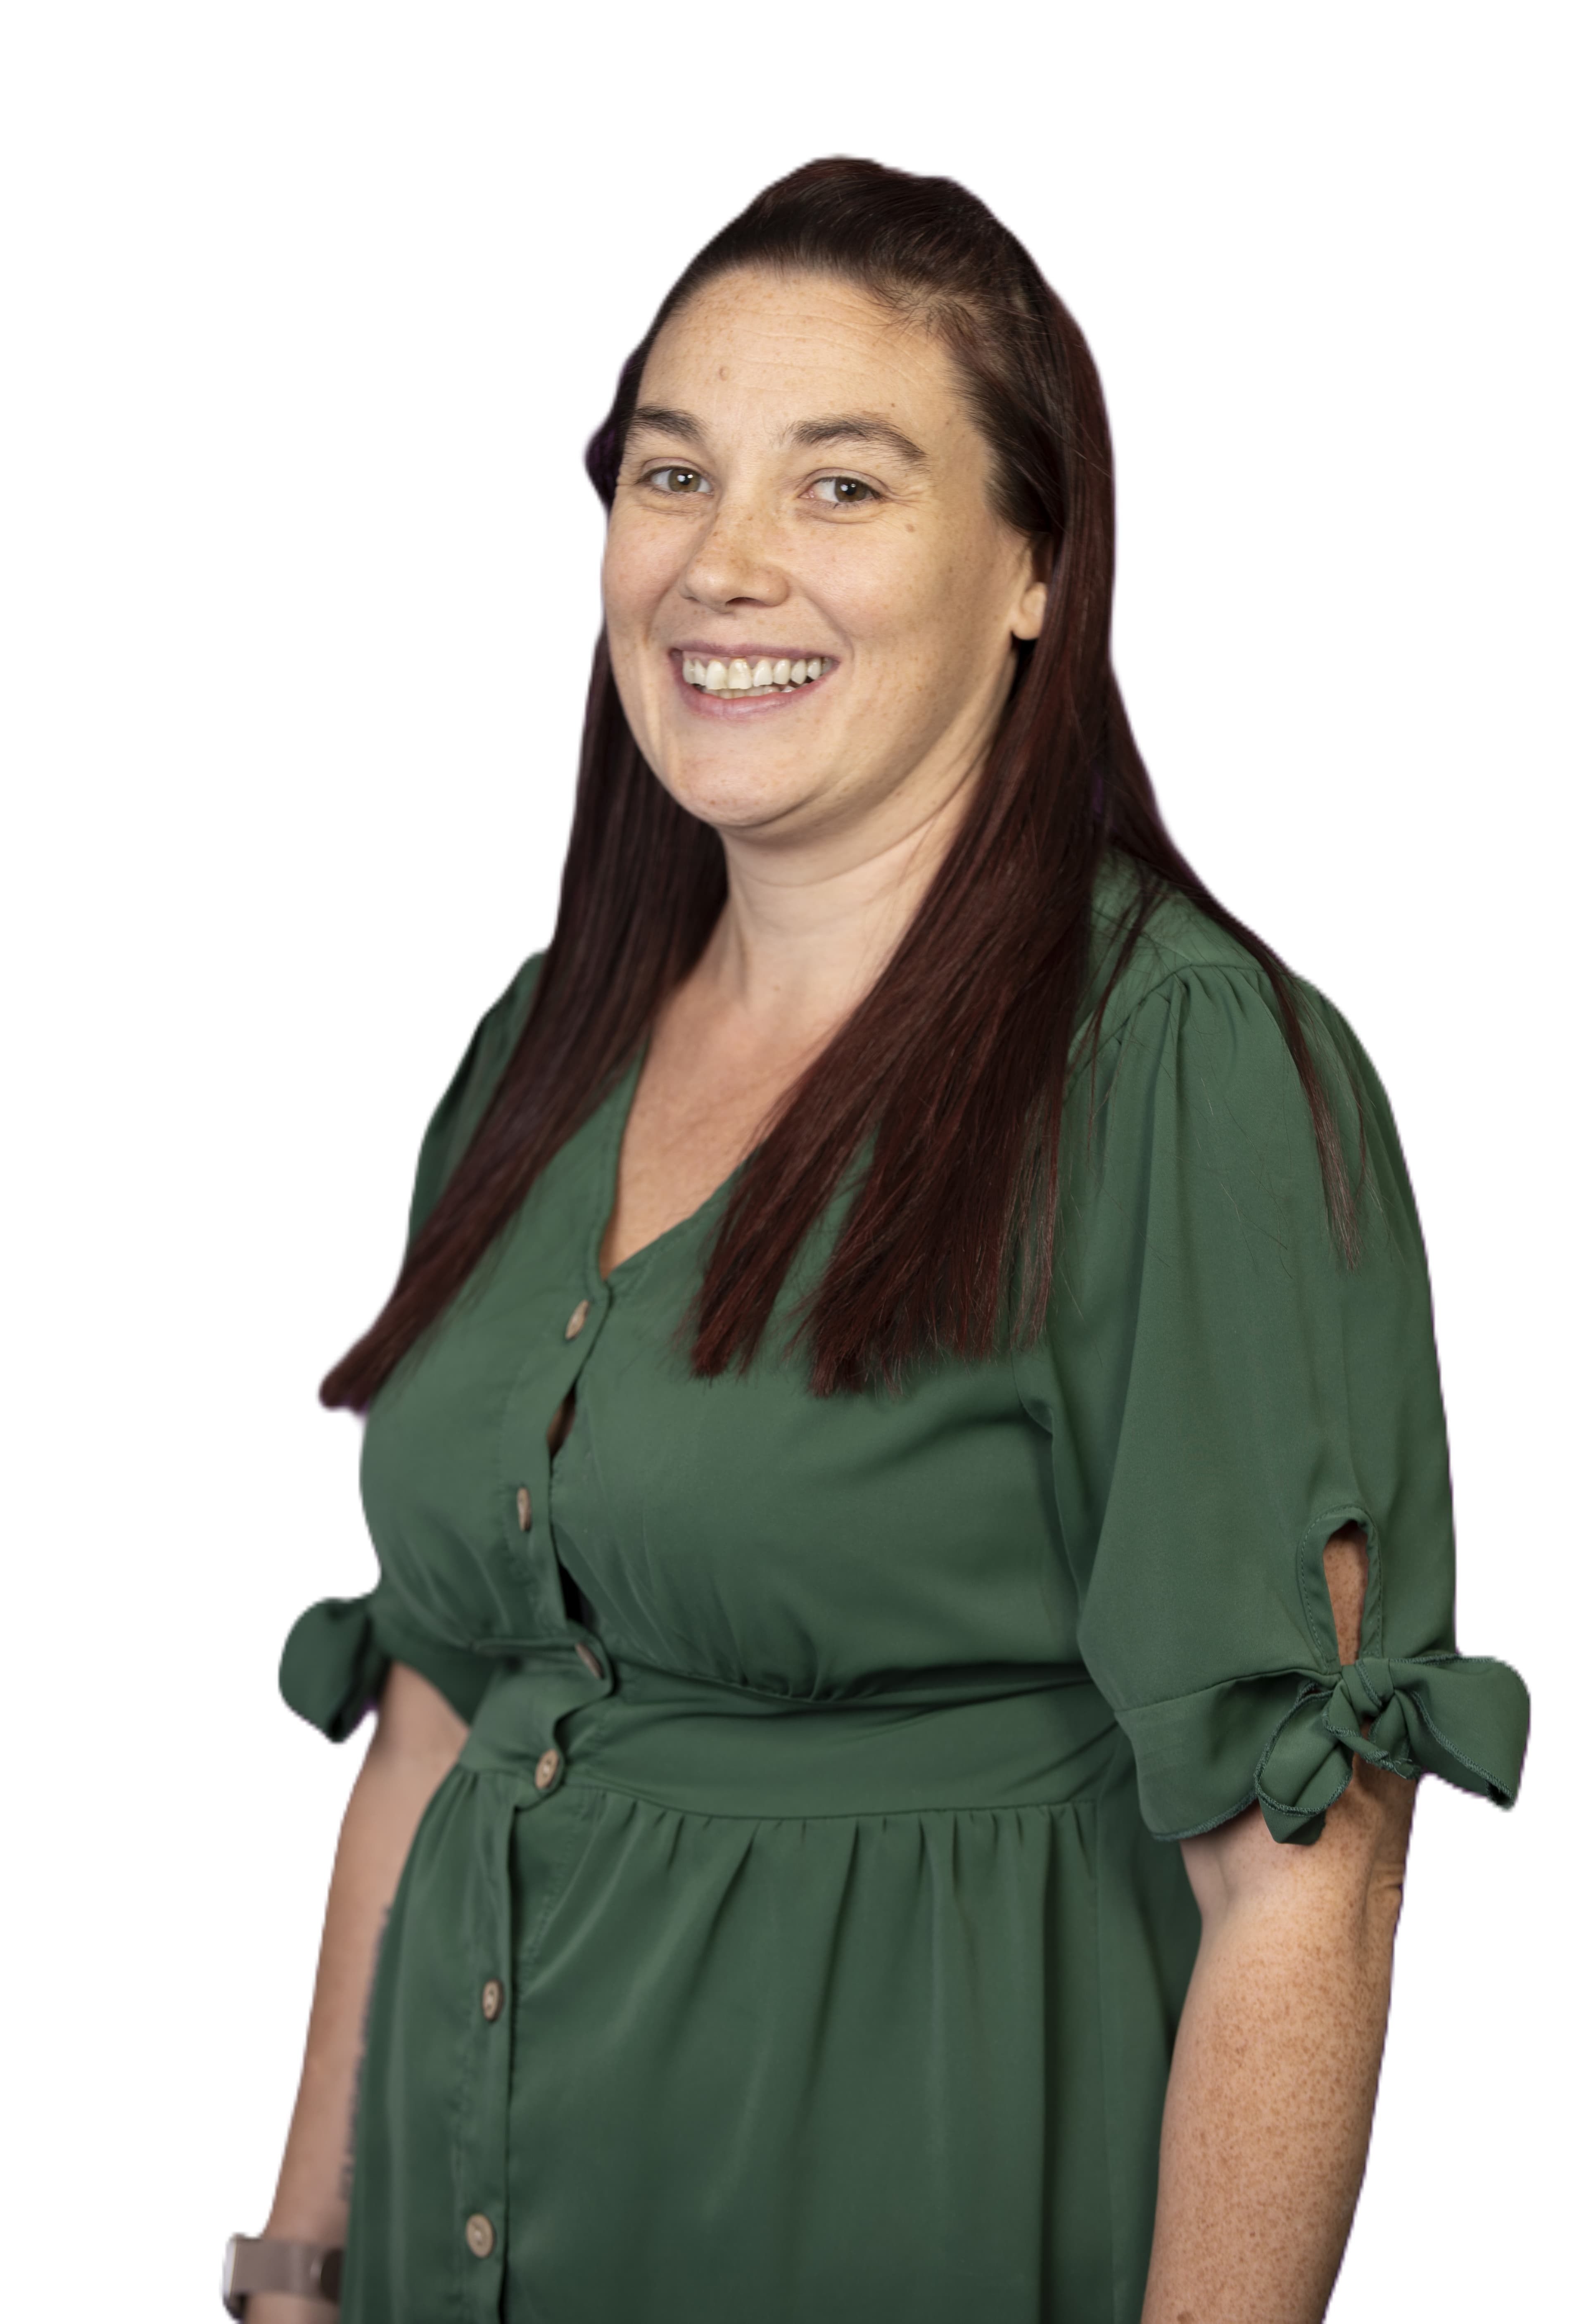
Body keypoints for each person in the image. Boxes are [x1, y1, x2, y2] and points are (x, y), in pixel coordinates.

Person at [229, 158, 1529, 2324]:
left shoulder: (1180, 1070)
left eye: (843, 488)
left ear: (1035, 565)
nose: (723, 564)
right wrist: (293, 2272)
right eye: (673, 475)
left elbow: (1308, 1875)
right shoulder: (540, 1052)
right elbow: (444, 1719)